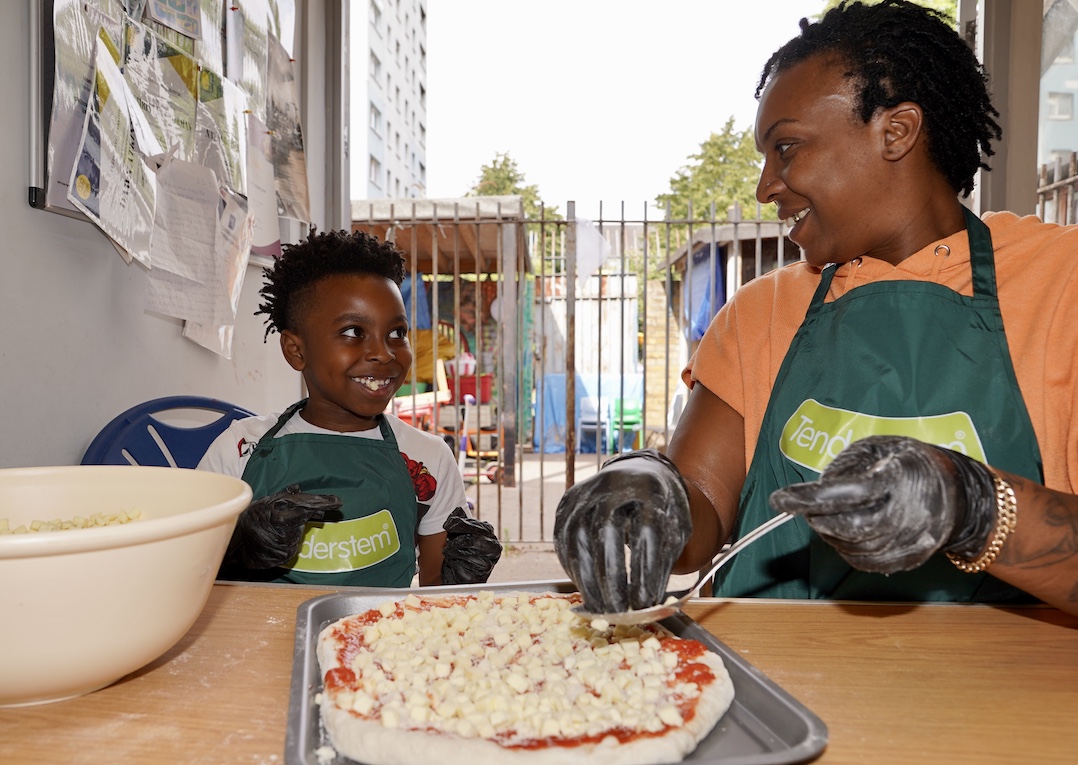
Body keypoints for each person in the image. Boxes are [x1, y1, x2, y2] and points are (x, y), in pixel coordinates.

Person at [554, 0, 1078, 617]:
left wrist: (975, 508)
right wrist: (644, 491)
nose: (765, 186)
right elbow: (698, 512)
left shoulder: (1062, 286)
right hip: (771, 696)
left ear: (897, 132)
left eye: (787, 148)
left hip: (1006, 704)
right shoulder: (759, 314)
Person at [199, 229, 501, 587]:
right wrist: (239, 555)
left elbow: (437, 596)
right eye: (354, 332)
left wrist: (460, 577)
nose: (384, 353)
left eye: (396, 333)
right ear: (296, 350)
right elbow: (184, 573)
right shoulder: (239, 450)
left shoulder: (428, 458)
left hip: (381, 639)